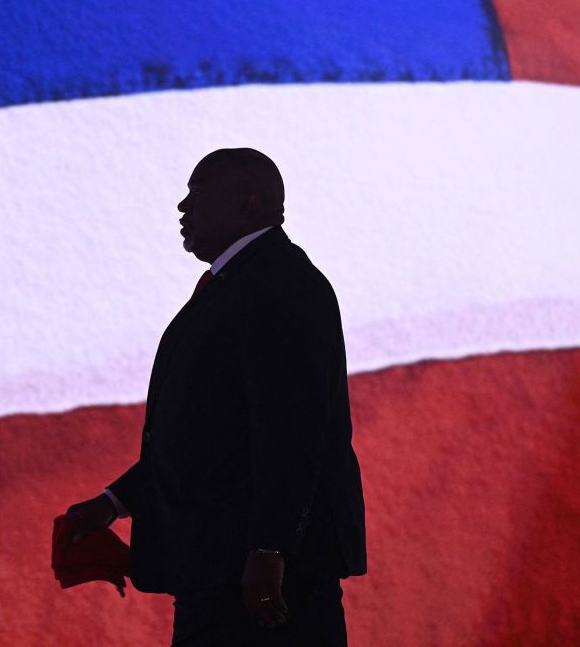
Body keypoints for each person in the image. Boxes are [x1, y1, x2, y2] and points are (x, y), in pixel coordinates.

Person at [62, 147, 366, 645]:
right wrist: (113, 502)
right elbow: (212, 438)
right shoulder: (239, 284)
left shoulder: (283, 285)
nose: (183, 207)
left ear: (247, 204)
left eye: (197, 192)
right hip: (223, 573)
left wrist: (270, 550)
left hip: (260, 583)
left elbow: (292, 432)